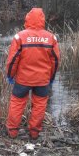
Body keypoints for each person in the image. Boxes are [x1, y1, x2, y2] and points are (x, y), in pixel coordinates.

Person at [5, 8, 60, 140]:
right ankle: (34, 133)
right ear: (43, 20)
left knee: (17, 104)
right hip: (42, 81)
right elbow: (56, 61)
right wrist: (51, 78)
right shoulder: (51, 38)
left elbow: (12, 60)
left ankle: (12, 132)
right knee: (40, 106)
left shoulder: (19, 37)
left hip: (23, 80)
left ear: (27, 19)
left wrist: (10, 75)